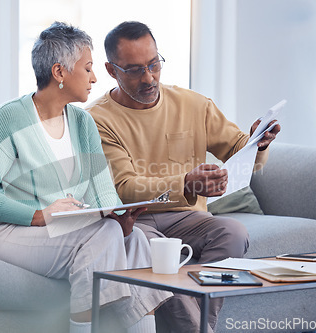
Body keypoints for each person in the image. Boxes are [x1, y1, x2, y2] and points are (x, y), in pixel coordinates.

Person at [0, 22, 171, 333]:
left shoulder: (83, 123)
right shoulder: (8, 119)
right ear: (59, 73)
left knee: (133, 238)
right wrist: (39, 215)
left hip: (57, 230)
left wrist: (120, 216)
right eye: (87, 68)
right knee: (104, 235)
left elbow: (103, 192)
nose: (95, 77)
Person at [86, 21, 281, 333]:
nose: (148, 78)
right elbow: (124, 189)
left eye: (153, 64)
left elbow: (235, 147)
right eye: (135, 70)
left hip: (188, 217)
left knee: (233, 231)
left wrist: (258, 142)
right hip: (135, 220)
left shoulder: (192, 104)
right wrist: (186, 182)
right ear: (111, 70)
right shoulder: (96, 120)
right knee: (148, 251)